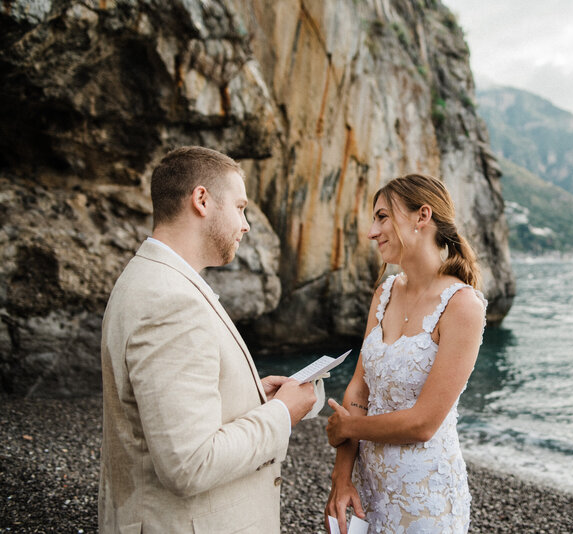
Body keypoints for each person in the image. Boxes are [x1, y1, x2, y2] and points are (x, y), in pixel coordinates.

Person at [99, 146, 318, 533]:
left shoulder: (149, 277)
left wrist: (252, 398)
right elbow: (189, 464)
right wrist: (282, 413)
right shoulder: (171, 301)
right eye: (240, 206)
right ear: (201, 200)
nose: (246, 224)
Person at [324, 174, 488, 533]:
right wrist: (342, 475)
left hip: (425, 496)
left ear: (422, 216)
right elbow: (359, 390)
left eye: (382, 217)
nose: (372, 232)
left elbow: (424, 423)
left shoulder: (462, 306)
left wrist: (349, 427)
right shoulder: (384, 294)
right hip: (370, 489)